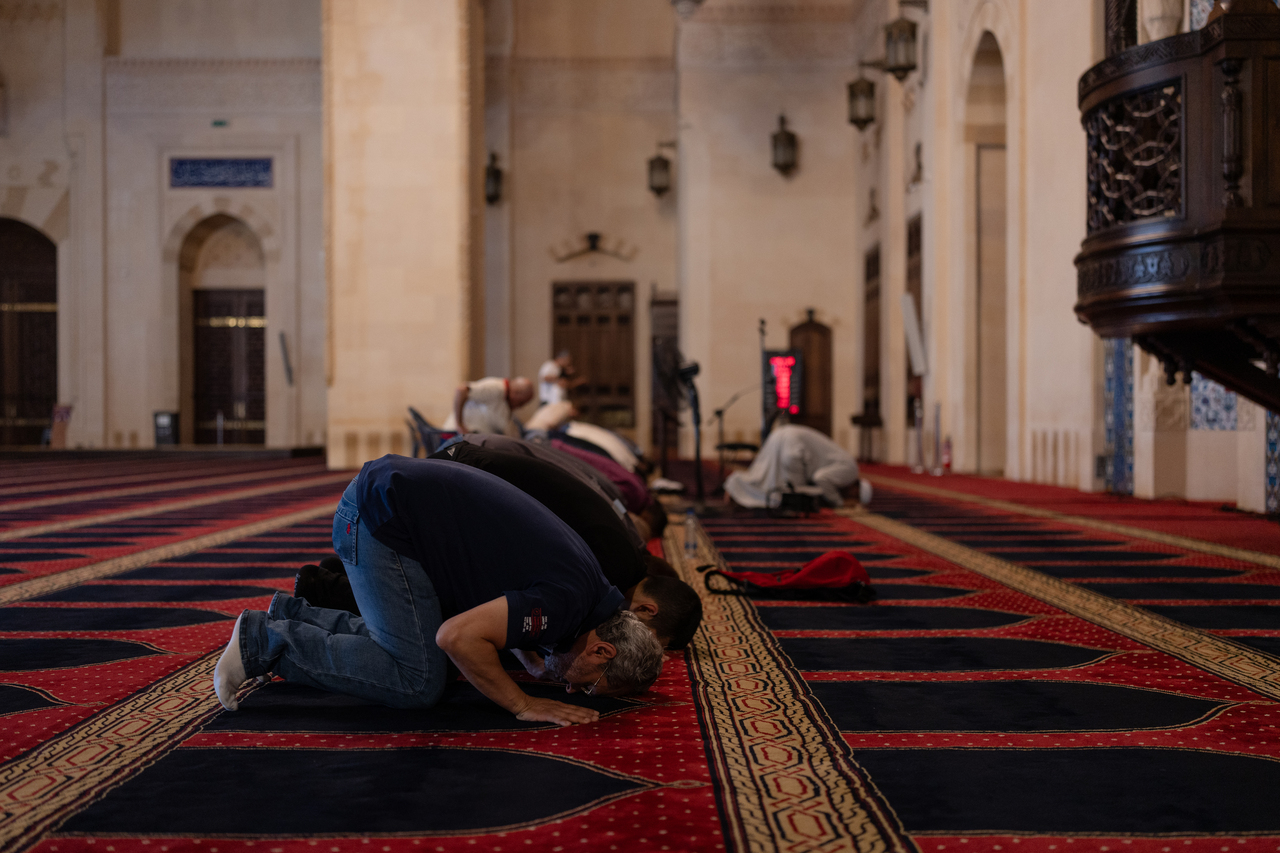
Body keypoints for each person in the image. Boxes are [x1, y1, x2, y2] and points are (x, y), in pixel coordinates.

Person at [213, 456, 664, 726]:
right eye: (590, 686)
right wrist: (523, 703)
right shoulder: (568, 605)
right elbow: (456, 636)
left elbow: (505, 600)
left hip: (393, 503)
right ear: (602, 651)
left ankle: (290, 616)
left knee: (426, 654)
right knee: (419, 680)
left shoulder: (591, 592)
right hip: (380, 518)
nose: (571, 688)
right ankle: (263, 644)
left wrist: (529, 656)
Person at [297, 442, 702, 650]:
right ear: (647, 610)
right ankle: (322, 589)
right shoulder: (614, 570)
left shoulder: (625, 556)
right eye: (652, 639)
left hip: (465, 473)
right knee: (447, 609)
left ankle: (340, 573)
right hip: (457, 477)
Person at [723, 423, 872, 509]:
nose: (850, 497)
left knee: (764, 476)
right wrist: (839, 503)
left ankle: (735, 485)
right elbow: (821, 478)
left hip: (781, 433)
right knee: (789, 496)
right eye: (854, 496)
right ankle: (736, 488)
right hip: (795, 447)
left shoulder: (847, 461)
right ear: (856, 488)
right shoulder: (851, 471)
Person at [442, 376, 534, 435]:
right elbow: (461, 391)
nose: (521, 407)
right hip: (456, 435)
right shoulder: (496, 387)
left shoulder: (506, 406)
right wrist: (460, 425)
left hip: (473, 439)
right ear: (516, 393)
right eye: (521, 403)